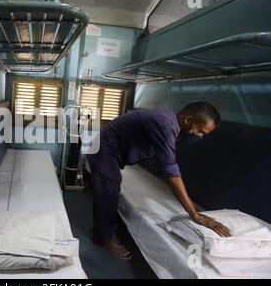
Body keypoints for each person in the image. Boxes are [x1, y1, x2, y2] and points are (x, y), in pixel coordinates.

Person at [86, 102, 231, 259]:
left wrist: (188, 200)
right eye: (200, 131)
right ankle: (103, 238)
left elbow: (167, 163)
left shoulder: (171, 126)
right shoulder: (164, 124)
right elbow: (170, 171)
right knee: (109, 193)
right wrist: (195, 214)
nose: (200, 136)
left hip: (112, 152)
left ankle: (102, 226)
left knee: (109, 190)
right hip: (104, 151)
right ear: (188, 120)